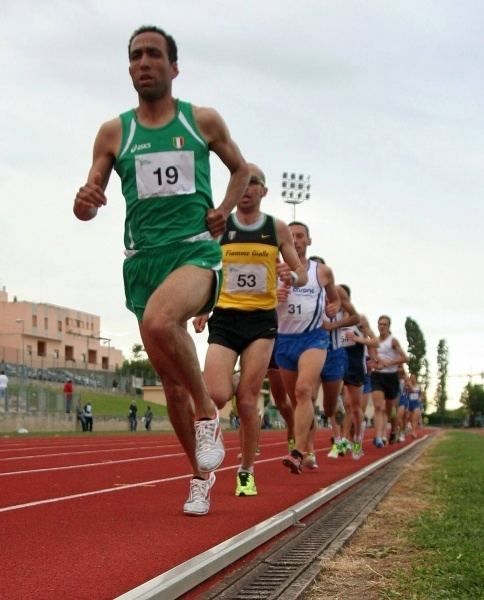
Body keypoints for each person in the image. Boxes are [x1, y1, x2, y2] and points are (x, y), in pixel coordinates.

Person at [73, 25, 249, 516]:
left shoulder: (202, 121)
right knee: (170, 385)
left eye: (153, 54)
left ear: (174, 67)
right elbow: (90, 198)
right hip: (141, 263)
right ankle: (200, 475)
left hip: (194, 252)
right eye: (134, 56)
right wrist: (84, 202)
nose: (142, 62)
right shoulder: (115, 132)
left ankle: (208, 411)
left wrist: (226, 211)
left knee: (159, 321)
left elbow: (241, 169)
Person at [194, 163, 307, 497]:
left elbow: (300, 273)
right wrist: (203, 306)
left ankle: (245, 470)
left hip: (261, 322)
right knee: (215, 393)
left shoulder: (277, 228)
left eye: (253, 183)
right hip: (226, 317)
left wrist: (291, 275)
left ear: (263, 191)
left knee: (246, 399)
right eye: (240, 183)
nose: (246, 189)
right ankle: (213, 441)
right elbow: (206, 266)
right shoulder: (221, 226)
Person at [276, 222, 340, 474]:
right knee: (297, 400)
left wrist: (333, 307)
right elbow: (259, 301)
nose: (296, 240)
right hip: (284, 340)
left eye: (300, 236)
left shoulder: (322, 272)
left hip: (314, 338)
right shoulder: (273, 268)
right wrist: (272, 298)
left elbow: (334, 299)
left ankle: (298, 452)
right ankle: (310, 448)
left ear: (308, 241)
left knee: (304, 390)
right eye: (291, 236)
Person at [370, 315, 408, 447]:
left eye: (385, 324)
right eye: (380, 324)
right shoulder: (374, 341)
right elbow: (372, 358)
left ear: (389, 326)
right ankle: (379, 437)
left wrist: (390, 362)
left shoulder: (393, 341)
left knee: (388, 409)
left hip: (391, 377)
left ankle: (388, 433)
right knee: (378, 406)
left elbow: (405, 358)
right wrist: (375, 364)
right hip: (377, 376)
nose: (382, 326)